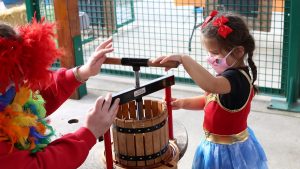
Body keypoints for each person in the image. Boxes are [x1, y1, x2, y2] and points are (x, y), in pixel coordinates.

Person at [153, 10, 268, 169]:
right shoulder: (227, 76)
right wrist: (183, 103)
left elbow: (210, 85)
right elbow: (209, 99)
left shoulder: (236, 80)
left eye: (214, 53)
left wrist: (183, 58)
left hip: (228, 152)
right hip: (214, 145)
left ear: (239, 51)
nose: (210, 58)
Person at [0, 18, 119, 169]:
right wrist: (89, 132)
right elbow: (40, 165)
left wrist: (82, 72)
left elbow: (35, 100)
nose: (21, 82)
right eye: (12, 77)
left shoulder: (10, 94)